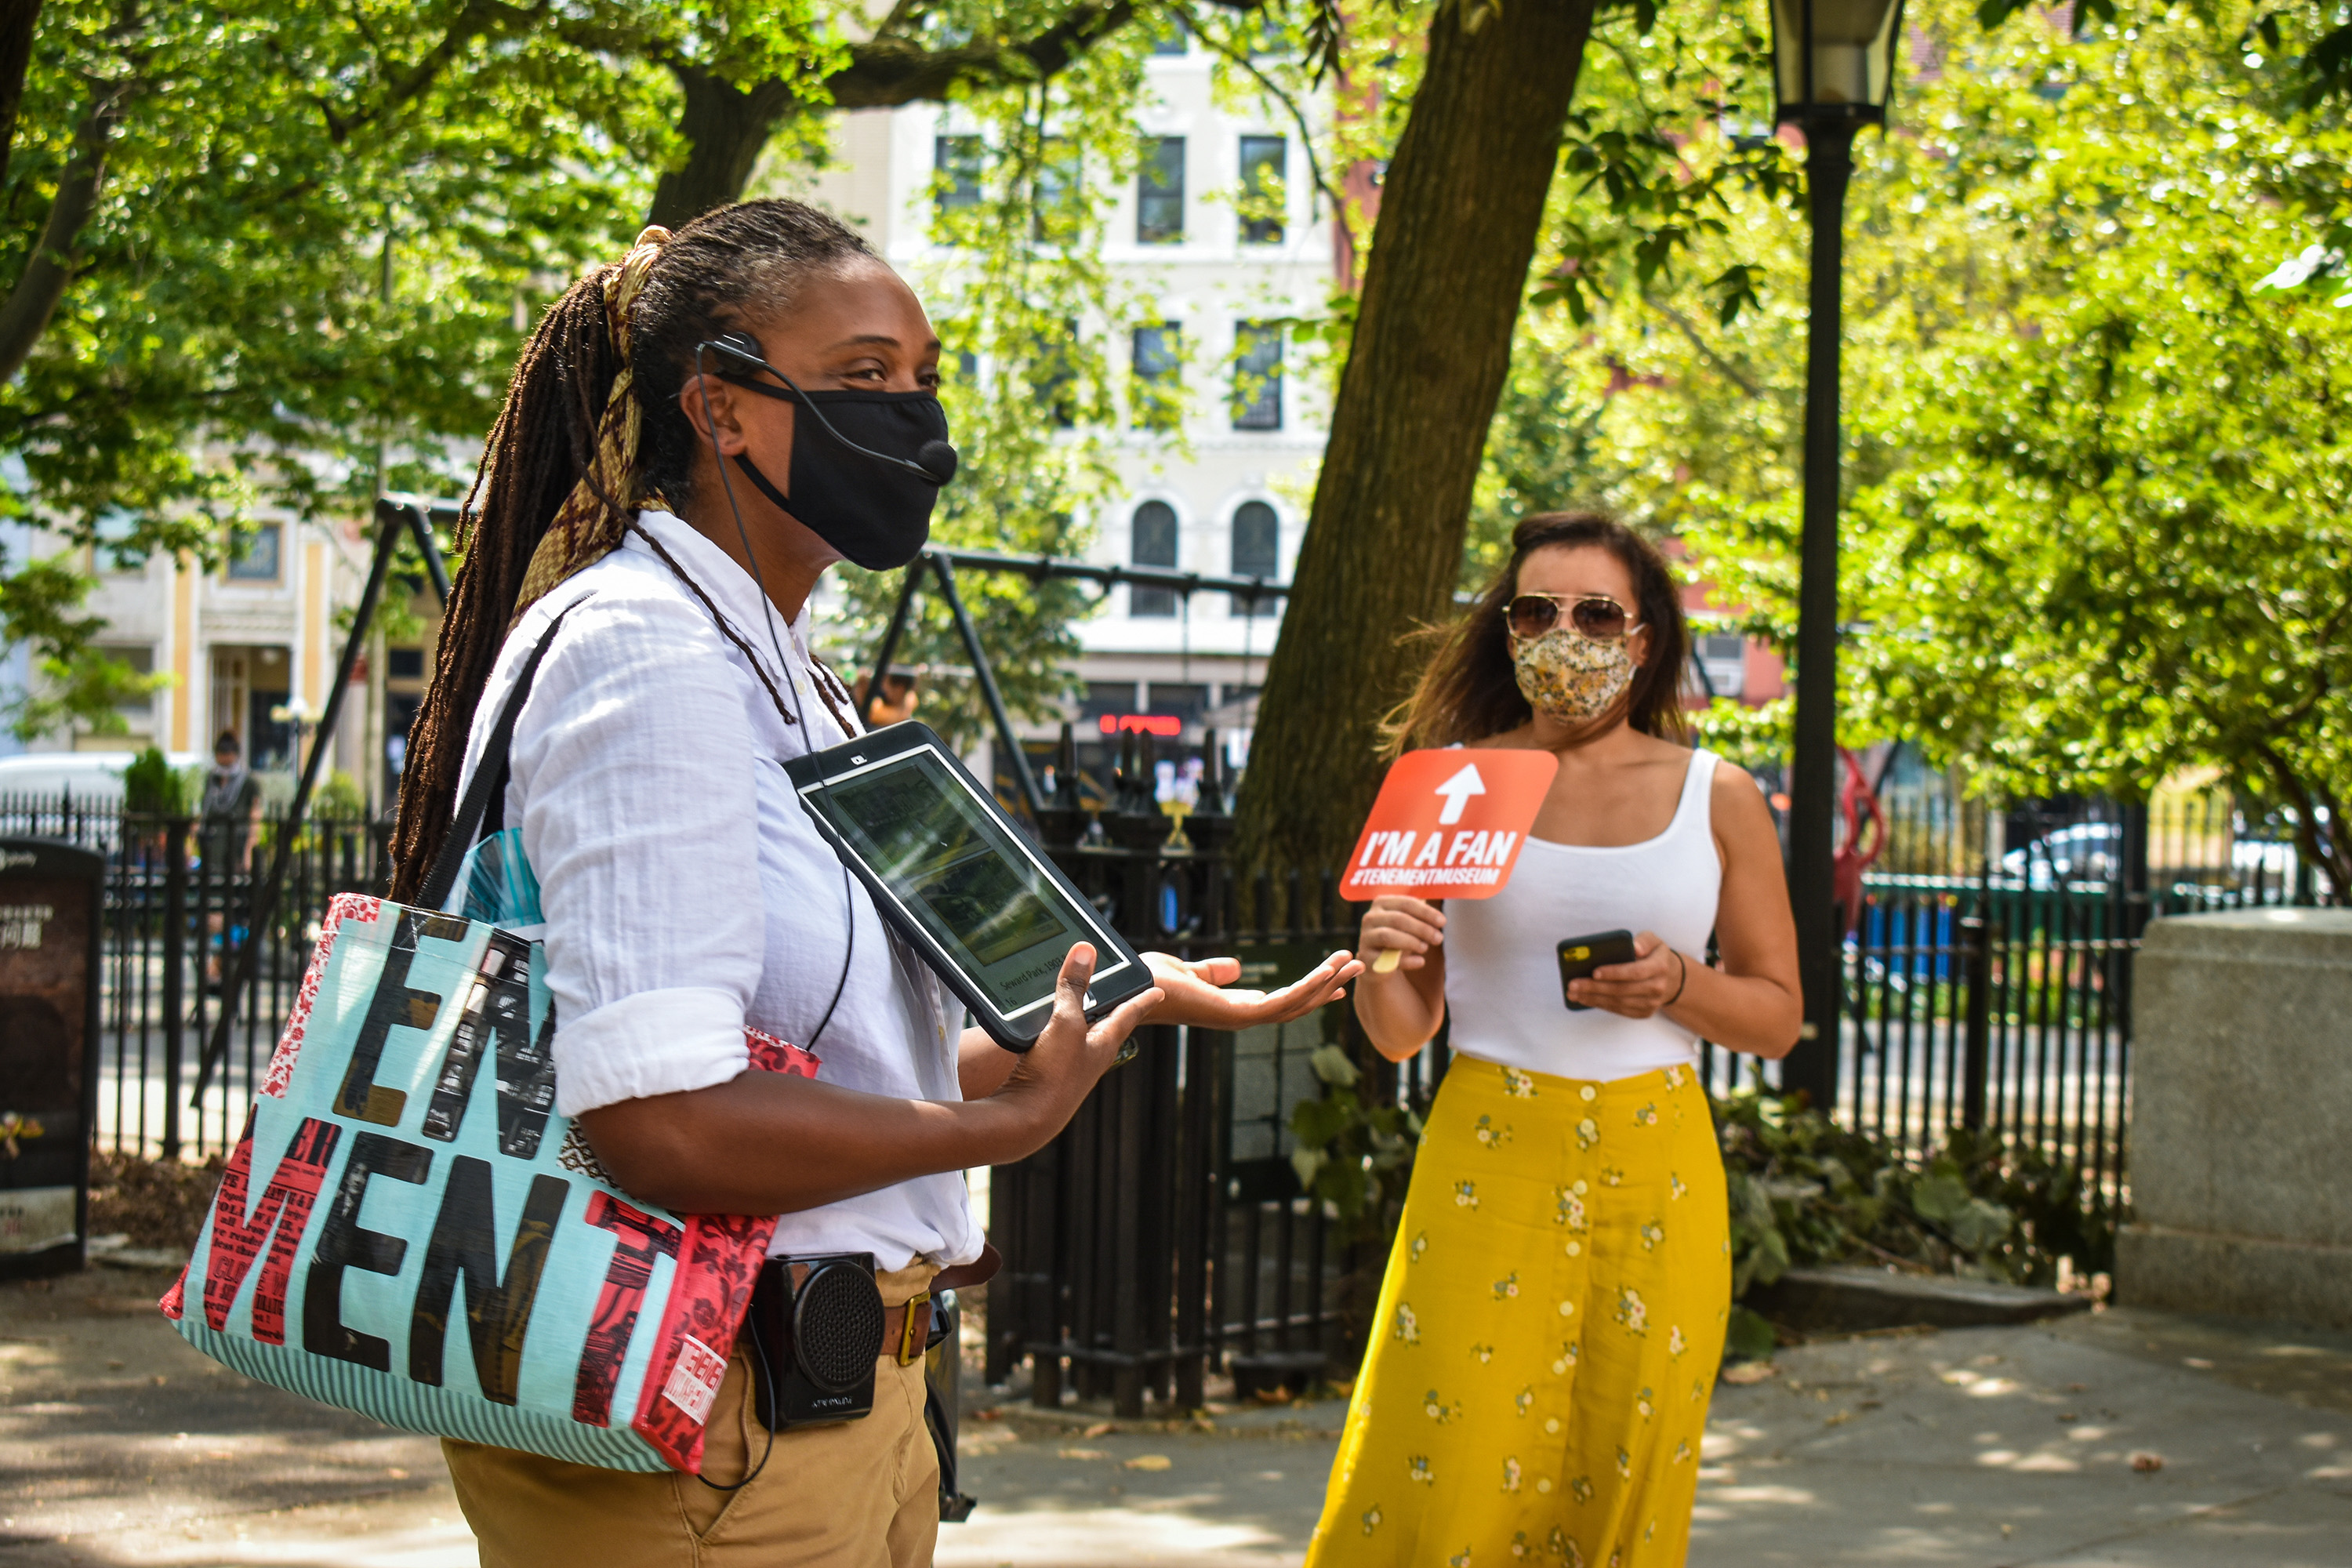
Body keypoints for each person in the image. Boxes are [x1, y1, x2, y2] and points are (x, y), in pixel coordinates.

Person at [387, 200, 1361, 1568]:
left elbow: (823, 1062)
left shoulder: (799, 682)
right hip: (707, 1436)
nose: (916, 422)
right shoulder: (649, 655)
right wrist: (999, 1133)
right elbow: (661, 1118)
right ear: (721, 409)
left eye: (923, 379)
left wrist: (1118, 1014)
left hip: (843, 1416)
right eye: (861, 379)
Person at [1303, 513, 1802, 1568]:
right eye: (1535, 611)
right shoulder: (1450, 782)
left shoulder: (1718, 795)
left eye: (1594, 613)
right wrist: (1383, 955)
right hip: (1489, 1154)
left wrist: (1679, 982)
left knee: (1623, 1460)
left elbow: (1777, 1017)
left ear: (1642, 639)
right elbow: (1401, 1035)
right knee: (1443, 1453)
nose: (1561, 634)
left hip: (1658, 1169)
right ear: (1506, 628)